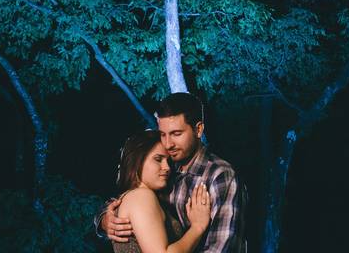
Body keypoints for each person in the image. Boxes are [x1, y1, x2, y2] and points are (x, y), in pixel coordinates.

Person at [100, 93, 247, 252]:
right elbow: (129, 204)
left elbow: (222, 249)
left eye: (177, 134)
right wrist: (104, 220)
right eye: (163, 134)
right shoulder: (164, 173)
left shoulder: (219, 175)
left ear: (198, 130)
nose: (168, 144)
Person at [112, 129, 211, 253]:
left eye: (168, 161)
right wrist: (197, 227)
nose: (167, 167)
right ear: (138, 161)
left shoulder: (131, 197)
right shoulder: (141, 196)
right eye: (158, 159)